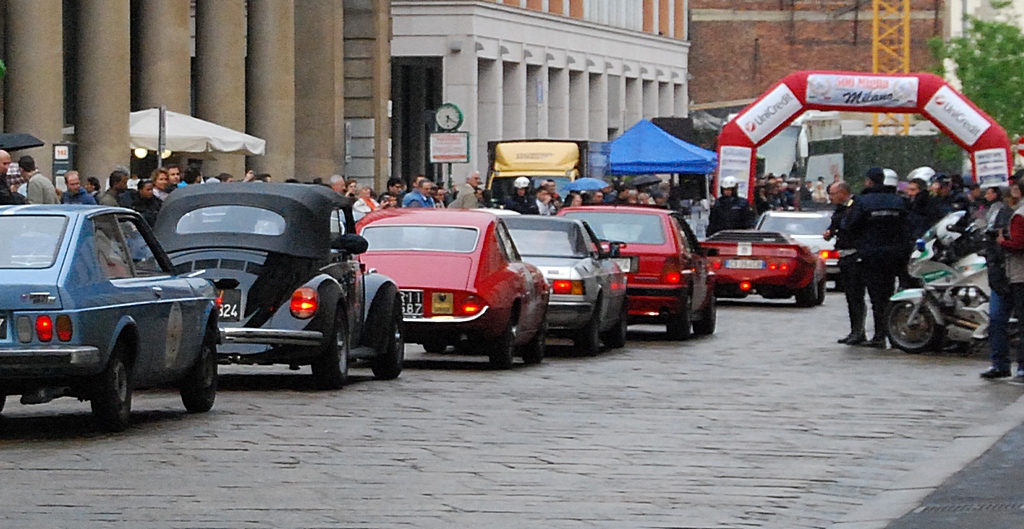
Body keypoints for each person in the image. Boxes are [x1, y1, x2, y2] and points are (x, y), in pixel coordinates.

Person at [841, 168, 909, 349]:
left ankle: (863, 333)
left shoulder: (862, 202)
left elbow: (849, 225)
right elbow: (908, 227)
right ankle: (883, 334)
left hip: (868, 255)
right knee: (884, 298)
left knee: (861, 295)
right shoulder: (900, 201)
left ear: (869, 182)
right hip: (894, 255)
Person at [981, 185, 1017, 378]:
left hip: (1016, 274)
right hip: (1003, 273)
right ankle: (999, 363)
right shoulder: (1001, 213)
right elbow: (992, 244)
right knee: (996, 319)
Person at [824, 181, 865, 345]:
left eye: (833, 194)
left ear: (842, 192)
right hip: (844, 256)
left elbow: (851, 227)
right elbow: (835, 226)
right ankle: (855, 330)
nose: (831, 198)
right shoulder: (840, 209)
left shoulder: (855, 207)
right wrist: (829, 232)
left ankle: (860, 331)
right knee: (851, 297)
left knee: (857, 296)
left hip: (855, 255)